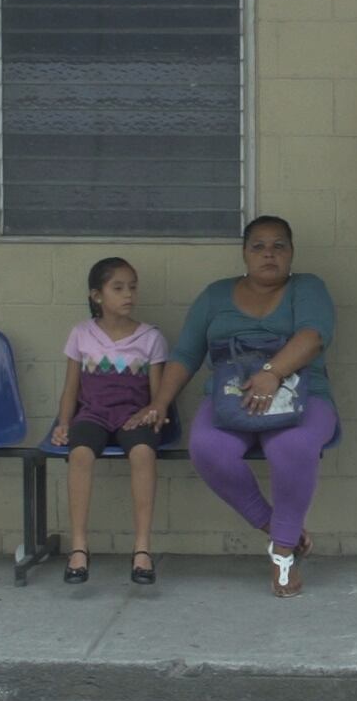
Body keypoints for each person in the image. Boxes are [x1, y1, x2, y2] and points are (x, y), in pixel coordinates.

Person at [143, 218, 339, 599]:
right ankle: (280, 529)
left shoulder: (308, 287)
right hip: (232, 396)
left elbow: (313, 336)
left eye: (279, 246)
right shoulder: (215, 295)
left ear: (292, 253)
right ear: (244, 253)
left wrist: (272, 372)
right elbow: (185, 353)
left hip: (302, 394)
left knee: (291, 448)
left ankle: (282, 555)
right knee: (207, 448)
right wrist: (160, 402)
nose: (269, 253)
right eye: (259, 246)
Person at [52, 258, 169, 586]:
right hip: (94, 414)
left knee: (143, 453)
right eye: (117, 288)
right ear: (97, 296)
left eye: (132, 287)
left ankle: (142, 548)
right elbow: (71, 388)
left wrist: (148, 414)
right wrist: (64, 423)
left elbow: (158, 396)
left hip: (135, 416)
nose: (128, 294)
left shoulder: (151, 337)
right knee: (80, 454)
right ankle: (78, 547)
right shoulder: (81, 334)